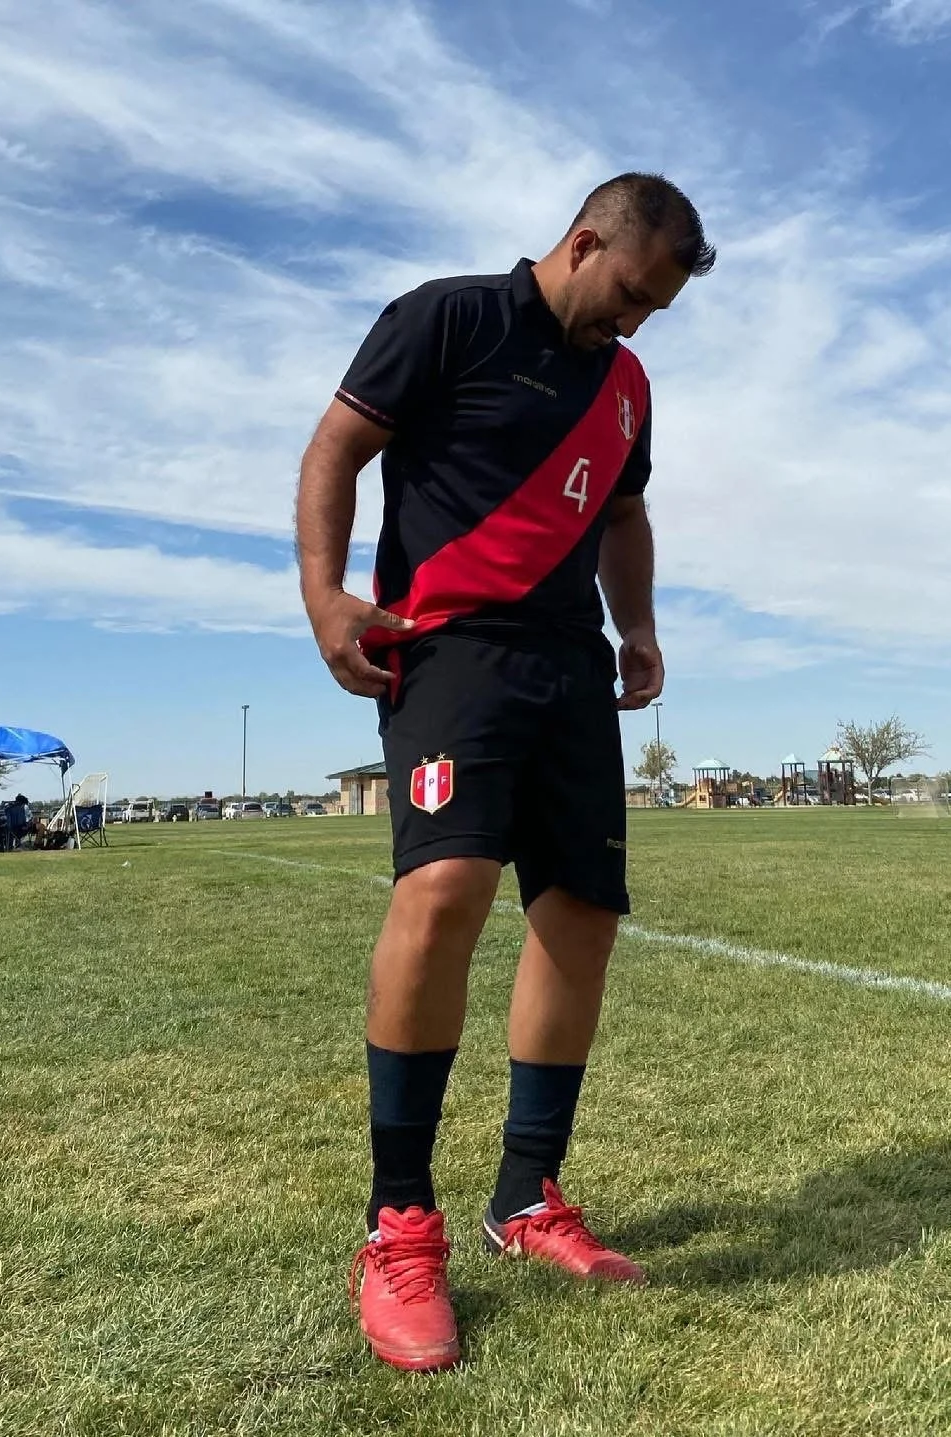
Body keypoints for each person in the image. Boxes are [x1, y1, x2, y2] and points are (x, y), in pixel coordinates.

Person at [296, 173, 715, 1371]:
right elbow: (337, 448)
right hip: (449, 651)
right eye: (629, 294)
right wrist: (327, 599)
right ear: (584, 243)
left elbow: (624, 515)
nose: (632, 324)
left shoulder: (628, 386)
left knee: (581, 914)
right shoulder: (449, 317)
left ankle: (527, 1199)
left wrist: (635, 628)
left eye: (655, 312)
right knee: (446, 889)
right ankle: (398, 1224)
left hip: (568, 667)